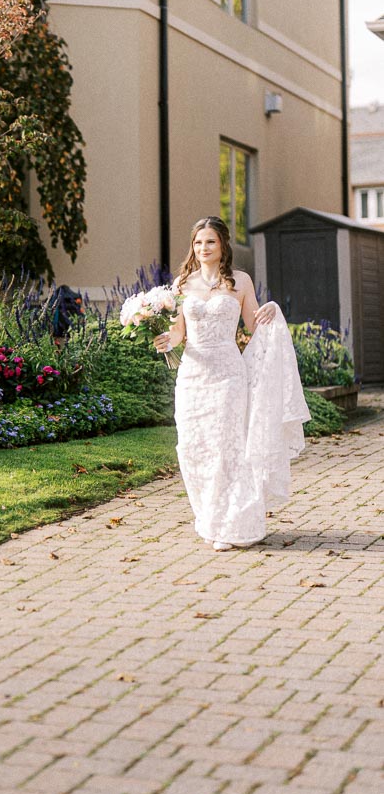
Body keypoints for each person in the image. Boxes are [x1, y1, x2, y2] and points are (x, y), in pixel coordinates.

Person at [154, 215, 310, 552]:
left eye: (210, 241)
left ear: (222, 244)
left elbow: (253, 325)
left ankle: (233, 523)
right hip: (193, 378)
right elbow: (181, 331)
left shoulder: (240, 281)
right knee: (194, 448)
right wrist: (169, 337)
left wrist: (271, 312)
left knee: (226, 448)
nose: (203, 248)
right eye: (198, 242)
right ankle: (210, 519)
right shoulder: (183, 284)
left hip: (228, 375)